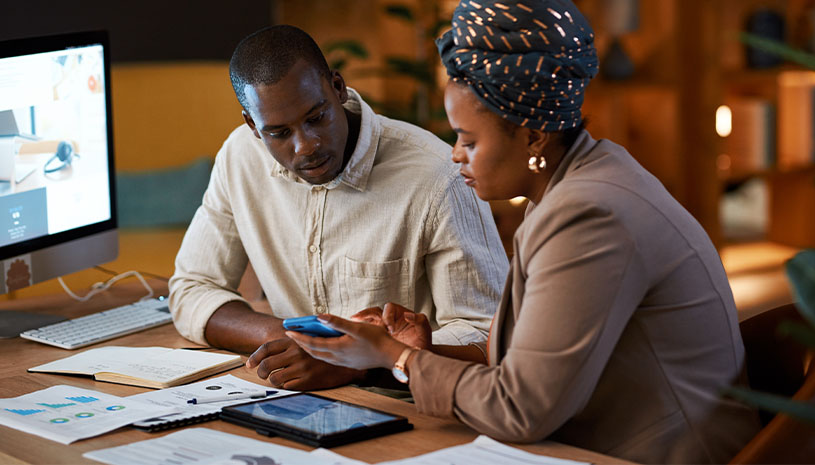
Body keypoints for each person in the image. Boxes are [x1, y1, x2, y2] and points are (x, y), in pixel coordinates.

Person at [282, 1, 762, 463]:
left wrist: (394, 359)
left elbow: (521, 410)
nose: (454, 154)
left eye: (468, 140)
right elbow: (532, 365)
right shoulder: (583, 177)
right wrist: (424, 352)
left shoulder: (589, 217)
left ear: (534, 134)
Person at [168, 25, 509, 391]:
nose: (306, 146)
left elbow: (489, 336)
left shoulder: (439, 176)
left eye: (316, 118)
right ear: (252, 125)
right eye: (280, 133)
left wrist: (357, 363)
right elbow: (192, 289)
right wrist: (296, 339)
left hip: (412, 401)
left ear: (338, 87)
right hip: (300, 393)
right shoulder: (239, 157)